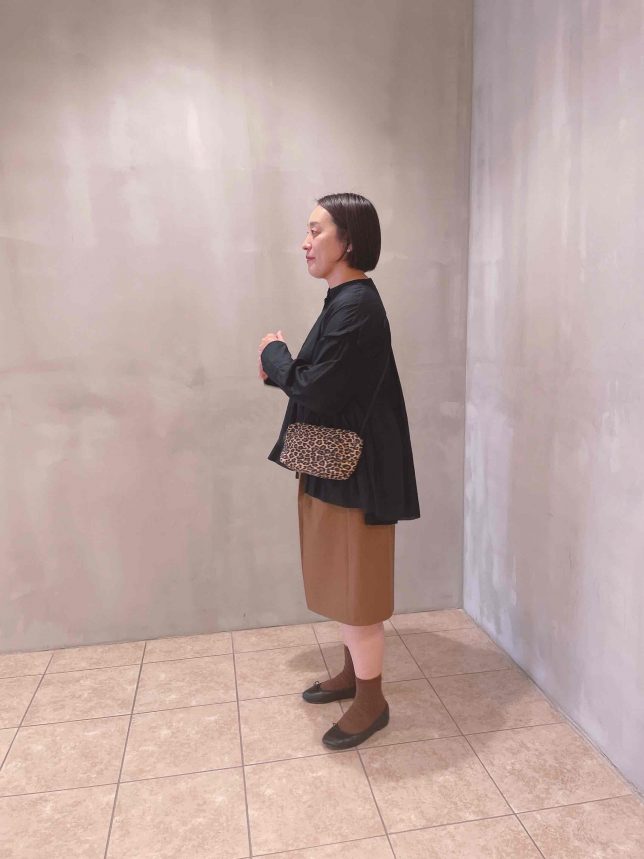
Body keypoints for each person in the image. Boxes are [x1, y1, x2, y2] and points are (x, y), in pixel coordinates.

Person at [258, 192, 420, 749]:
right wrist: (286, 370)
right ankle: (354, 676)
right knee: (344, 583)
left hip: (356, 474)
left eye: (316, 231)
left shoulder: (356, 307)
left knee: (359, 591)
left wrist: (274, 355)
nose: (305, 242)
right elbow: (323, 380)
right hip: (338, 465)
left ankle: (372, 702)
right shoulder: (345, 300)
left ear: (347, 240)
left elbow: (317, 387)